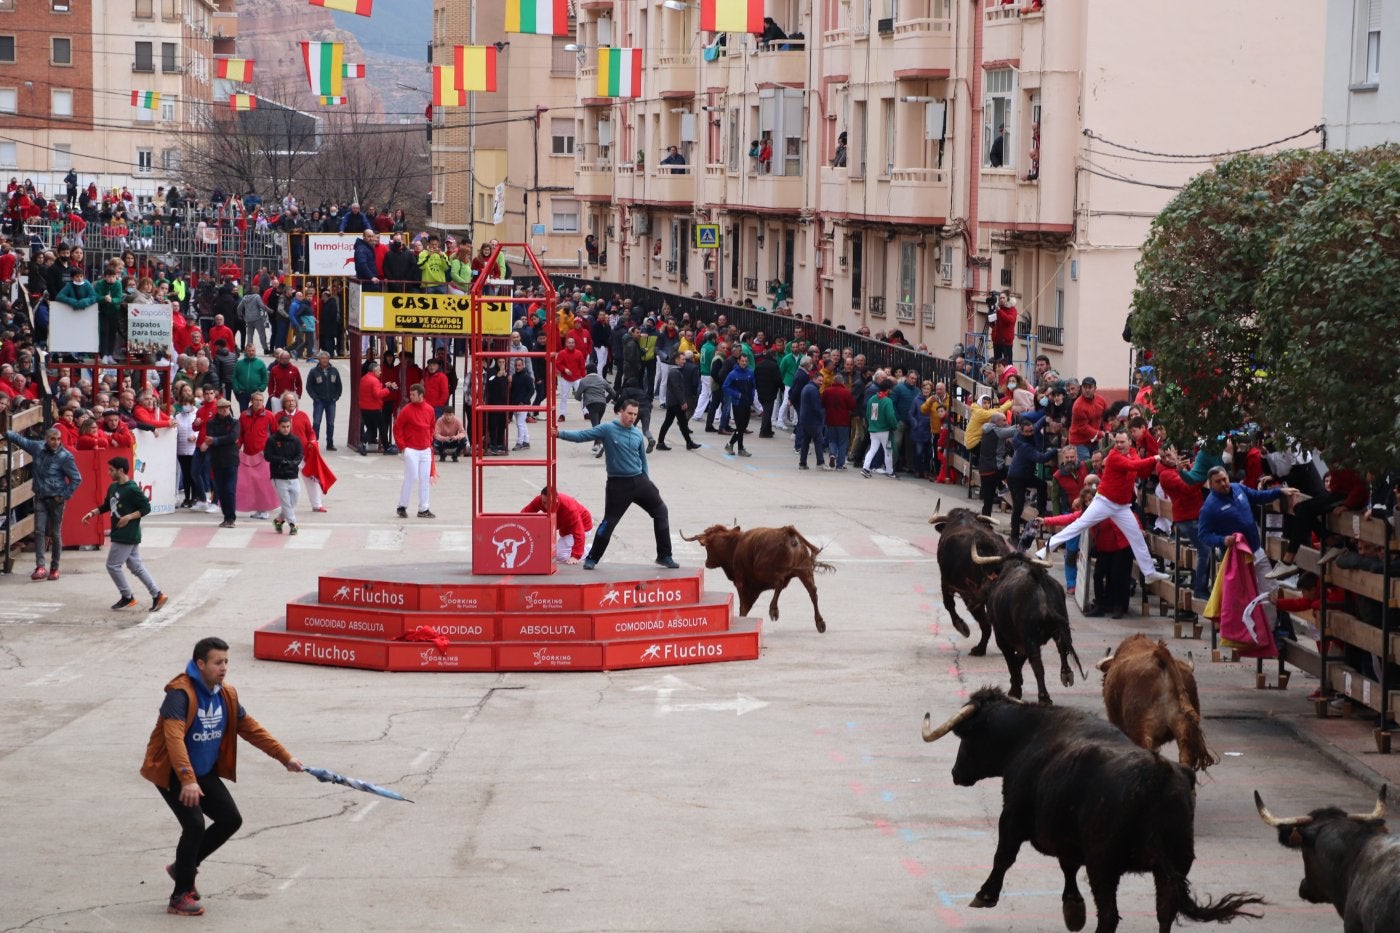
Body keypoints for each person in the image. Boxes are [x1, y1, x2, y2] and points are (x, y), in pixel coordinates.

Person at [141, 636, 304, 917]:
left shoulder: (225, 694)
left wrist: (284, 757)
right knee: (194, 826)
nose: (224, 667)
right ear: (200, 664)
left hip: (201, 772)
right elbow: (174, 740)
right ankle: (180, 895)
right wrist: (187, 779)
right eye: (218, 662)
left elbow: (250, 728)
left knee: (230, 819)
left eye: (227, 661)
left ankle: (183, 867)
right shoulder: (179, 695)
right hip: (173, 772)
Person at [1038, 430, 1173, 586]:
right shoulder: (1114, 457)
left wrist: (1158, 459)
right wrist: (1156, 458)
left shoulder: (1133, 452)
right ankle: (1046, 549)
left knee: (1136, 536)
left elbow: (1139, 465)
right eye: (1117, 442)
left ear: (1130, 442)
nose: (1119, 445)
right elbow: (1133, 465)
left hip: (1121, 506)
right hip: (1105, 501)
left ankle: (1148, 572)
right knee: (1080, 524)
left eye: (1123, 442)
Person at [555, 399, 678, 570]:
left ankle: (664, 555)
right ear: (621, 412)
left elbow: (643, 460)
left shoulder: (636, 434)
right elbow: (583, 435)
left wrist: (647, 482)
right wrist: (560, 434)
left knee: (661, 511)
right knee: (609, 522)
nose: (632, 417)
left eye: (635, 414)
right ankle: (592, 558)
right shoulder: (608, 429)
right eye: (629, 413)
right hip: (618, 485)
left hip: (640, 481)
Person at [82, 456, 167, 611]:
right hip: (124, 533)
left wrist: (129, 517)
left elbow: (146, 508)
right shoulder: (113, 488)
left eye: (111, 470)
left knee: (113, 565)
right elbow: (107, 505)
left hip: (126, 534)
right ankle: (157, 595)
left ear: (120, 470)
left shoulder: (132, 489)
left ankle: (127, 596)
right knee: (136, 566)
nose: (109, 473)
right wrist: (93, 513)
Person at [5, 426, 81, 580]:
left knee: (55, 533)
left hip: (56, 499)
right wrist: (5, 432)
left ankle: (54, 567)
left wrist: (64, 495)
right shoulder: (37, 447)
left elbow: (76, 478)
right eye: (53, 439)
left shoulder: (65, 456)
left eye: (58, 439)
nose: (56, 442)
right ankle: (40, 566)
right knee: (40, 531)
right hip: (40, 497)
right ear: (46, 439)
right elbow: (21, 440)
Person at [394, 383, 436, 519]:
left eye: (413, 394)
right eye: (410, 394)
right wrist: (403, 447)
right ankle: (402, 505)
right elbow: (397, 427)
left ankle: (424, 508)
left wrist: (429, 441)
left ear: (421, 395)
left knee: (425, 479)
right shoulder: (406, 410)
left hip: (425, 449)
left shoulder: (430, 410)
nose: (410, 396)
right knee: (411, 477)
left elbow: (432, 426)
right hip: (411, 449)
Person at [235, 391, 279, 520]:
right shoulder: (243, 416)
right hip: (248, 455)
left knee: (263, 483)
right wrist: (237, 449)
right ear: (251, 401)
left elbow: (275, 435)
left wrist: (272, 450)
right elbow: (240, 434)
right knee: (252, 483)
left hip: (263, 456)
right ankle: (258, 508)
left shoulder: (270, 416)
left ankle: (264, 509)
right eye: (256, 400)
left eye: (260, 400)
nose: (258, 402)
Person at [521, 487, 594, 564]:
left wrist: (575, 556)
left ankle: (590, 551)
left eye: (549, 503)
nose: (546, 506)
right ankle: (580, 549)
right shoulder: (539, 500)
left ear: (556, 499)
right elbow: (524, 514)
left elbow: (579, 532)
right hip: (566, 526)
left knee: (560, 555)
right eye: (544, 503)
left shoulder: (569, 508)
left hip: (584, 525)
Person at [200, 398, 240, 527]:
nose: (224, 410)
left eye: (227, 408)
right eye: (222, 408)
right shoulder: (212, 423)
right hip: (217, 461)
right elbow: (210, 438)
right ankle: (226, 516)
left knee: (230, 490)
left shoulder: (234, 422)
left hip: (231, 460)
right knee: (221, 491)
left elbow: (233, 437)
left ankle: (231, 517)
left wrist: (216, 441)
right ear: (217, 409)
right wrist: (220, 440)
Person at [263, 414, 303, 534]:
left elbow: (300, 454)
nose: (286, 429)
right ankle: (293, 524)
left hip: (293, 475)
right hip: (278, 476)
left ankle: (279, 519)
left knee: (294, 500)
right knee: (285, 501)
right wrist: (281, 460)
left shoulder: (295, 440)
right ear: (278, 427)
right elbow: (267, 456)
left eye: (288, 426)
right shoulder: (272, 440)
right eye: (283, 426)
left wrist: (294, 463)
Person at [655, 350, 699, 451]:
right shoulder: (674, 372)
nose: (684, 361)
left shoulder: (675, 370)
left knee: (676, 423)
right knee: (680, 423)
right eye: (682, 359)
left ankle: (662, 442)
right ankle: (688, 443)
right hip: (675, 403)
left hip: (673, 402)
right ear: (676, 360)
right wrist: (682, 402)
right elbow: (676, 388)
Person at [722, 351, 756, 457]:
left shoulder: (750, 372)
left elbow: (753, 385)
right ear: (738, 361)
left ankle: (730, 444)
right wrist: (737, 395)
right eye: (742, 361)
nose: (744, 363)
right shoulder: (733, 374)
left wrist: (752, 395)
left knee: (743, 426)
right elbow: (725, 387)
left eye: (746, 361)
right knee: (740, 426)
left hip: (747, 402)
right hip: (738, 404)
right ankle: (740, 448)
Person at [357, 360, 394, 456]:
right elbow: (378, 394)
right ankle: (387, 447)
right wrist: (388, 389)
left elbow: (372, 391)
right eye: (379, 371)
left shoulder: (364, 378)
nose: (381, 372)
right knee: (382, 428)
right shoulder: (374, 381)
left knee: (371, 428)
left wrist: (383, 386)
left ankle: (363, 443)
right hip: (374, 408)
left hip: (364, 408)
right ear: (374, 371)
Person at [306, 351, 342, 450]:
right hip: (319, 401)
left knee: (330, 423)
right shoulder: (313, 371)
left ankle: (330, 444)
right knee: (316, 422)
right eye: (322, 358)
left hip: (331, 401)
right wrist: (315, 398)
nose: (325, 360)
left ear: (329, 359)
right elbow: (309, 387)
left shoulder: (334, 370)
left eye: (326, 358)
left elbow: (339, 386)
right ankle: (314, 442)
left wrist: (336, 397)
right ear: (319, 359)